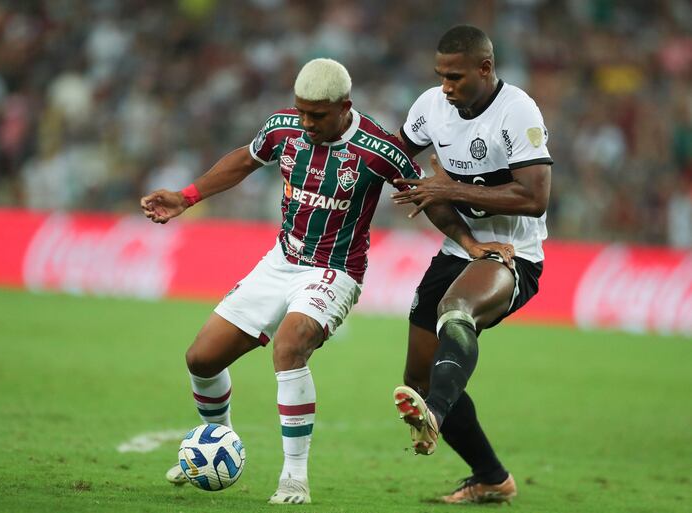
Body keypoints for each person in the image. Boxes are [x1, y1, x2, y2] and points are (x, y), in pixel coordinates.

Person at [141, 57, 513, 505]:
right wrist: (186, 197)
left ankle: (294, 477)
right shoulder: (283, 128)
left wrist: (470, 244)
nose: (306, 123)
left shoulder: (378, 148)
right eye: (301, 112)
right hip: (281, 259)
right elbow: (244, 159)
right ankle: (219, 445)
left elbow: (424, 197)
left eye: (317, 115)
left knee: (289, 348)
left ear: (344, 107)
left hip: (335, 272)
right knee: (201, 359)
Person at [389, 25, 552, 504]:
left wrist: (449, 189)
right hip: (462, 249)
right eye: (440, 75)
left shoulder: (517, 111)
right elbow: (401, 167)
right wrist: (462, 235)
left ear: (485, 68)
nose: (445, 86)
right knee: (416, 377)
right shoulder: (430, 107)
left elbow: (535, 197)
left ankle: (435, 416)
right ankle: (491, 476)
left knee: (455, 311)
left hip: (513, 256)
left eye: (456, 76)